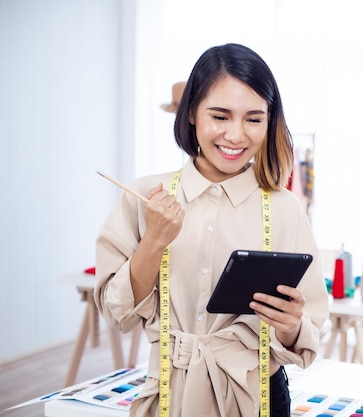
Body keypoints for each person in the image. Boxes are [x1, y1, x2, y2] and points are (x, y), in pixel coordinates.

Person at [94, 43, 329, 417]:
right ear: (191, 113)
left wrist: (290, 326)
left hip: (257, 395)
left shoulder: (284, 210)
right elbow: (115, 313)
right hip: (172, 390)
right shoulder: (144, 197)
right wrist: (154, 240)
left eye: (253, 119)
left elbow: (309, 332)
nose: (236, 136)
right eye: (220, 116)